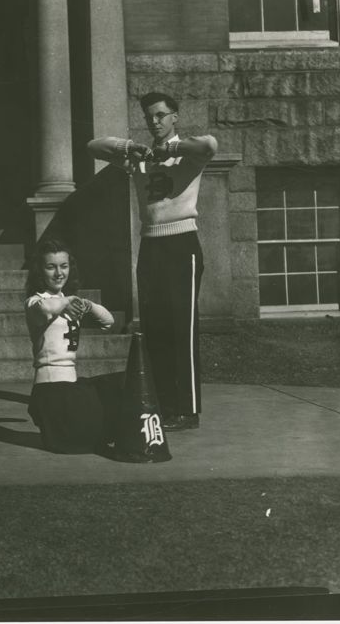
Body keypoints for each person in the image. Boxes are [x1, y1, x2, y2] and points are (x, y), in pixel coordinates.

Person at [87, 92, 218, 432]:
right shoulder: (139, 159)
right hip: (150, 244)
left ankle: (187, 410)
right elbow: (93, 146)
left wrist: (171, 149)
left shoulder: (187, 154)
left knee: (182, 328)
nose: (154, 122)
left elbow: (210, 145)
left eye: (161, 115)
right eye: (149, 117)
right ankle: (162, 402)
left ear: (175, 117)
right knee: (155, 328)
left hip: (182, 244)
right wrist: (128, 148)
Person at [25, 239, 121, 455]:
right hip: (50, 391)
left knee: (118, 384)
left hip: (69, 387)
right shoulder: (34, 302)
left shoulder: (68, 303)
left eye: (64, 266)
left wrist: (88, 305)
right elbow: (45, 308)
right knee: (93, 432)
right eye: (51, 267)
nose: (59, 273)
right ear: (40, 271)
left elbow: (108, 321)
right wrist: (68, 302)